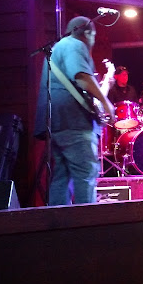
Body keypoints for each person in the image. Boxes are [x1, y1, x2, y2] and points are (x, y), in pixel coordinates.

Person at [38, 16, 115, 205]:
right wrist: (107, 103)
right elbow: (81, 77)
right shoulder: (74, 45)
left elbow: (77, 87)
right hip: (74, 122)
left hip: (56, 123)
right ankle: (86, 226)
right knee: (85, 174)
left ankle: (60, 227)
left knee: (62, 177)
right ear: (88, 33)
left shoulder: (58, 49)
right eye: (93, 35)